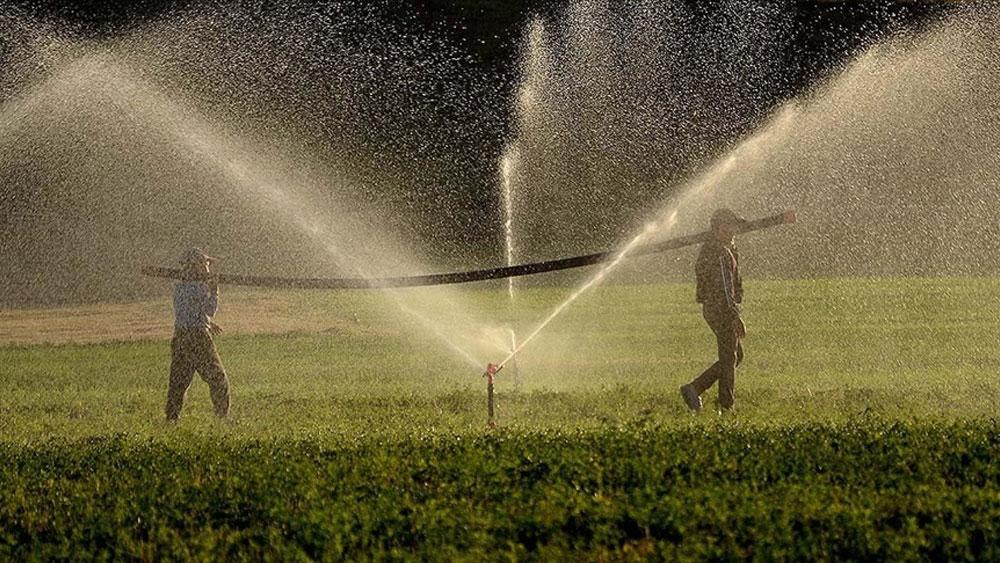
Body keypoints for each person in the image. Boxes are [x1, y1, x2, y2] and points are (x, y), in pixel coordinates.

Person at [680, 209, 747, 413]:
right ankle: (726, 406)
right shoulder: (719, 252)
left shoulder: (720, 248)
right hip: (721, 310)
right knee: (729, 359)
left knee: (735, 356)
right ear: (718, 228)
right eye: (729, 226)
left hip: (716, 308)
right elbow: (725, 288)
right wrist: (734, 316)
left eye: (734, 226)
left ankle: (694, 388)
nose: (733, 230)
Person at [166, 247, 230, 421]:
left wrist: (208, 325)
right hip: (198, 338)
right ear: (197, 265)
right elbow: (209, 310)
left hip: (180, 336)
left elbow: (190, 312)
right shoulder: (200, 288)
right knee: (217, 378)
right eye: (206, 263)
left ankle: (172, 419)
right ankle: (222, 417)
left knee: (179, 382)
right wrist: (214, 291)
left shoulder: (179, 288)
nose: (208, 267)